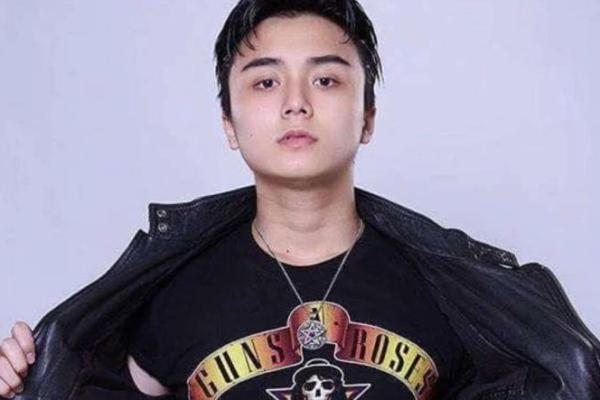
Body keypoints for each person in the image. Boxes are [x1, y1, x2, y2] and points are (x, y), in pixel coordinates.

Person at [1, 1, 599, 399]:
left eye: (326, 79)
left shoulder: (449, 293)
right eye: (265, 81)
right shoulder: (172, 294)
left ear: (367, 117)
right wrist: (22, 384)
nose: (295, 103)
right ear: (230, 123)